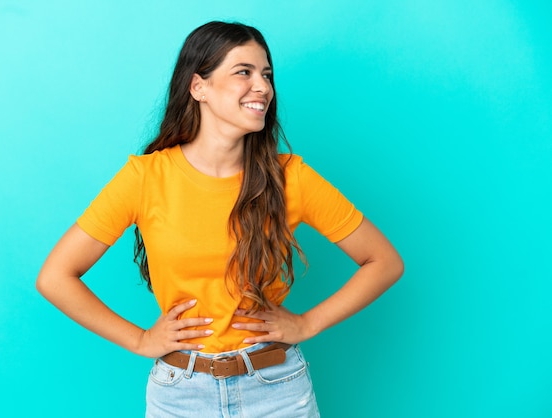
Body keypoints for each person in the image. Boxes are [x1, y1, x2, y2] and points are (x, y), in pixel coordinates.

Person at [36, 21, 404, 417]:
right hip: (180, 395)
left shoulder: (290, 178)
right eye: (243, 72)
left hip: (277, 390)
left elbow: (384, 261)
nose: (262, 86)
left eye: (266, 74)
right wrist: (141, 340)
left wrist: (308, 324)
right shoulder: (145, 178)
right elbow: (55, 277)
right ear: (199, 88)